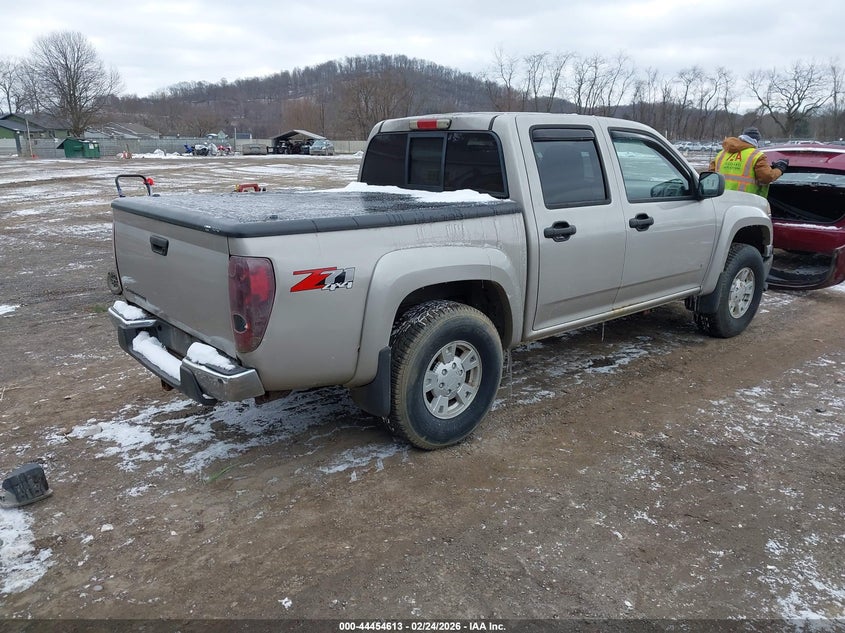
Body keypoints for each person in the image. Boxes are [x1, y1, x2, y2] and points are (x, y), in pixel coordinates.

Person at [709, 126, 788, 198]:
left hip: (720, 199)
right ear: (756, 140)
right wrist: (780, 169)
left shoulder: (721, 154)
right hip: (745, 200)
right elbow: (766, 177)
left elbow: (710, 176)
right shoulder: (756, 155)